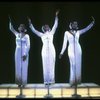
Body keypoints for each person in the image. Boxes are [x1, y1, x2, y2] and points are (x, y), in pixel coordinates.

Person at [59, 16, 95, 87]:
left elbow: (86, 29)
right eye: (74, 24)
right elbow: (64, 43)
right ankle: (72, 81)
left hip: (78, 49)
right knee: (73, 64)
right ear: (71, 25)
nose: (75, 25)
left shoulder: (78, 32)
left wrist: (92, 23)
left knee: (78, 65)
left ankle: (77, 81)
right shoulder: (66, 32)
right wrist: (61, 52)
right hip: (70, 49)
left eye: (76, 24)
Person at [28, 10, 59, 85]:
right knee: (45, 64)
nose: (47, 26)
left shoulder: (52, 33)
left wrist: (56, 16)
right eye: (45, 26)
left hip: (52, 49)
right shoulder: (41, 34)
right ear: (43, 28)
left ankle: (51, 80)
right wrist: (30, 24)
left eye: (47, 26)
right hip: (44, 50)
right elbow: (34, 30)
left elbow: (55, 25)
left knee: (52, 64)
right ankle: (46, 81)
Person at [9, 17, 30, 87]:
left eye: (22, 26)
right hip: (17, 51)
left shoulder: (27, 36)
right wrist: (10, 21)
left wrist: (25, 54)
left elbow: (28, 45)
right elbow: (11, 28)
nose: (21, 27)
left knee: (24, 67)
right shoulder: (17, 34)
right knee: (18, 66)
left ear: (24, 28)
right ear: (19, 28)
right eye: (20, 26)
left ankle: (23, 82)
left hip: (24, 51)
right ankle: (18, 82)